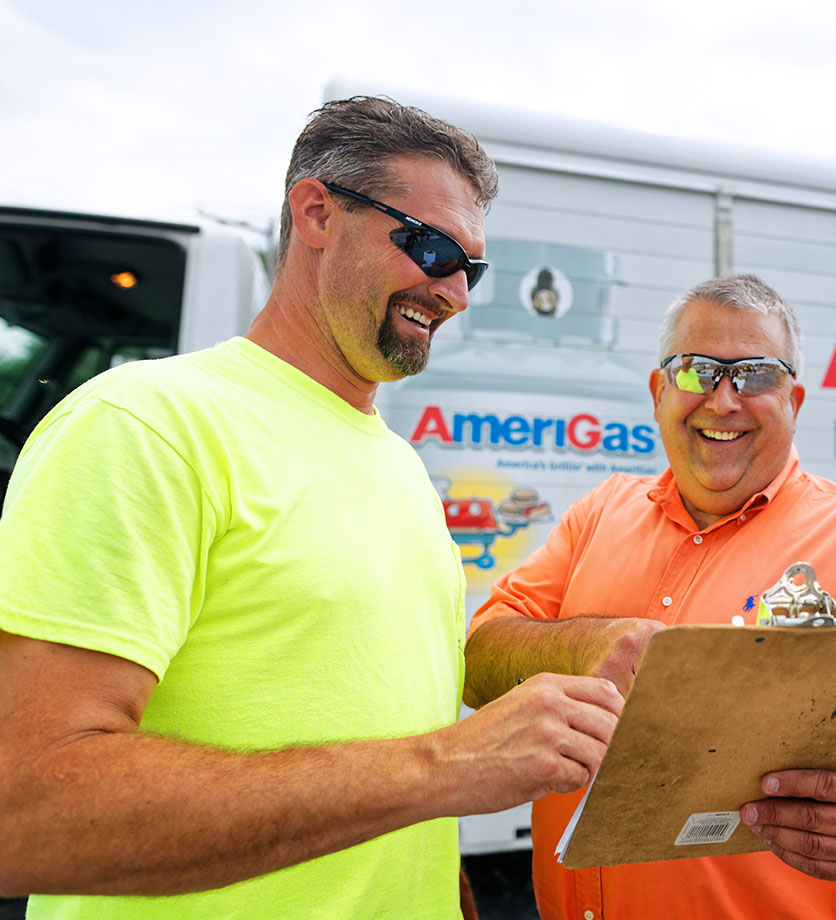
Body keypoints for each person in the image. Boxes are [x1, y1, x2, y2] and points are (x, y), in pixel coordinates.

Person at [0, 96, 623, 919]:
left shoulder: (395, 464)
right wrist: (452, 764)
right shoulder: (147, 427)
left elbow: (389, 764)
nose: (453, 292)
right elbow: (25, 814)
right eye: (431, 248)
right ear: (318, 211)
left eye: (470, 268)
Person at [463, 274, 836, 920]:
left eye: (756, 375)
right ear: (658, 392)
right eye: (697, 371)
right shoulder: (598, 517)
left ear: (796, 400)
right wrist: (585, 643)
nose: (724, 400)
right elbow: (479, 656)